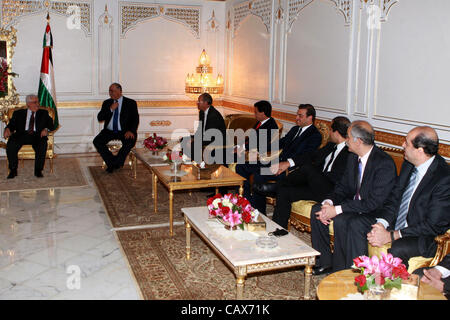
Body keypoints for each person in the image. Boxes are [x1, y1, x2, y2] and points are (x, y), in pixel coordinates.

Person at [310, 120, 397, 275]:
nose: (346, 140)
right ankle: (326, 262)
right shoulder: (352, 157)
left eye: (348, 137)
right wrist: (328, 203)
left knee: (344, 220)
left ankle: (347, 272)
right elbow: (342, 187)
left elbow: (373, 203)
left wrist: (337, 210)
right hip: (355, 206)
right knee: (317, 209)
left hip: (373, 212)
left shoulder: (384, 163)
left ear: (358, 141)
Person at [364, 126, 450, 269]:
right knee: (361, 225)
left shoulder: (444, 178)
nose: (402, 145)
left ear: (420, 150)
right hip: (399, 225)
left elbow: (433, 225)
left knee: (398, 247)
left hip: (424, 237)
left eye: (406, 142)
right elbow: (394, 198)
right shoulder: (409, 165)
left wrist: (392, 236)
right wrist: (381, 224)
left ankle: (394, 289)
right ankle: (363, 276)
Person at [269, 116, 351, 229]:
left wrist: (315, 176)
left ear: (336, 132)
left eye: (330, 130)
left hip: (332, 191)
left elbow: (339, 178)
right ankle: (278, 230)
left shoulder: (350, 151)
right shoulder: (331, 146)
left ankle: (276, 186)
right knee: (284, 191)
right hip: (317, 187)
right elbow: (311, 156)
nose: (329, 134)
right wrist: (288, 163)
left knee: (309, 169)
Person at [234, 100, 279, 214]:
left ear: (263, 113)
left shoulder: (271, 126)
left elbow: (259, 142)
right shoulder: (260, 122)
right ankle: (242, 198)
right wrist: (240, 146)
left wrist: (242, 148)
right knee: (232, 161)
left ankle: (248, 201)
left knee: (240, 165)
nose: (254, 114)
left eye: (256, 112)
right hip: (250, 152)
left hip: (262, 157)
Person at [4, 94, 54, 178]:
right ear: (28, 104)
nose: (37, 104)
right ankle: (13, 170)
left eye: (38, 102)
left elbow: (51, 125)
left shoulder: (44, 113)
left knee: (42, 144)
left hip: (38, 135)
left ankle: (38, 170)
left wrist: (46, 129)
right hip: (21, 134)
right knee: (11, 143)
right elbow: (11, 125)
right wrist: (7, 129)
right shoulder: (18, 113)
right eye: (35, 102)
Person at [93, 83, 139, 173]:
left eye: (113, 91)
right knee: (97, 141)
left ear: (120, 91)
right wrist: (110, 109)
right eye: (110, 91)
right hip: (109, 131)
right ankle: (114, 163)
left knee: (129, 142)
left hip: (124, 131)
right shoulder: (107, 103)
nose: (111, 93)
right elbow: (100, 118)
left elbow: (135, 119)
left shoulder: (131, 103)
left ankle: (113, 164)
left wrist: (131, 130)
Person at [181, 93, 226, 164]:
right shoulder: (202, 112)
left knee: (194, 143)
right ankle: (188, 161)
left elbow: (210, 135)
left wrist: (195, 139)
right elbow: (200, 130)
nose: (197, 103)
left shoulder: (214, 115)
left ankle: (197, 164)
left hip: (215, 139)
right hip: (205, 136)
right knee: (184, 139)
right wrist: (194, 137)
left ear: (206, 103)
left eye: (199, 102)